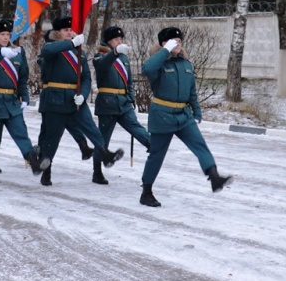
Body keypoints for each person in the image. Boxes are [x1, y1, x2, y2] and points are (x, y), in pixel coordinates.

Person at [139, 26, 233, 207]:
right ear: (164, 44)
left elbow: (192, 92)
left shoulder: (186, 64)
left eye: (180, 41)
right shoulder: (158, 64)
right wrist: (165, 51)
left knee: (200, 145)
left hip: (183, 115)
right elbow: (147, 69)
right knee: (157, 155)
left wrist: (197, 111)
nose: (178, 44)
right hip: (162, 116)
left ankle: (214, 177)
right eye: (174, 41)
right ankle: (146, 191)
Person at [37, 16, 123, 186]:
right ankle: (46, 170)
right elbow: (47, 52)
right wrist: (71, 43)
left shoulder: (80, 52)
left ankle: (105, 153)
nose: (70, 33)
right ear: (58, 33)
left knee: (91, 127)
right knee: (53, 137)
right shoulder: (52, 48)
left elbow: (85, 78)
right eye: (66, 30)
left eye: (71, 30)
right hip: (55, 99)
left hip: (75, 99)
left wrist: (83, 94)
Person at [0, 19, 48, 188]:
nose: (5, 37)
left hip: (12, 101)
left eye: (8, 34)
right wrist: (0, 53)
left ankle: (33, 162)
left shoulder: (17, 52)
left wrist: (25, 97)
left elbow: (22, 78)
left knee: (21, 133)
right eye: (2, 34)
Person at [92, 25, 151, 184]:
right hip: (107, 102)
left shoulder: (124, 58)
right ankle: (97, 171)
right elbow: (103, 65)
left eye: (121, 39)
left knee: (135, 127)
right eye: (117, 39)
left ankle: (152, 145)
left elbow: (129, 81)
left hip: (123, 102)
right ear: (109, 41)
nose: (120, 41)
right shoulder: (100, 56)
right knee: (103, 138)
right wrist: (115, 53)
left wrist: (131, 97)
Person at [36, 28, 94, 161]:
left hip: (65, 98)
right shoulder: (49, 53)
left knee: (68, 123)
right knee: (47, 128)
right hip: (50, 97)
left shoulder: (72, 53)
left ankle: (82, 146)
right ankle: (42, 154)